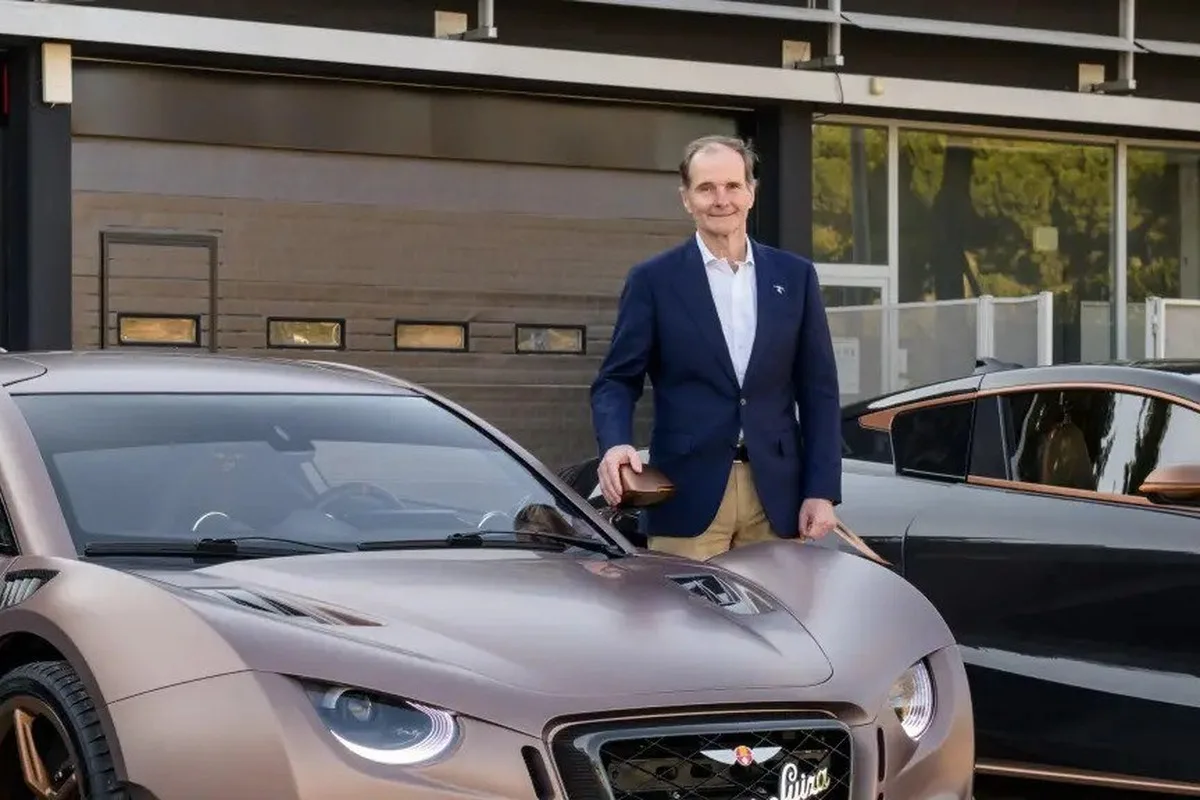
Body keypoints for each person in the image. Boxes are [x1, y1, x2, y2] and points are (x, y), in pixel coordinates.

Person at [589, 134, 841, 561]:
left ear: (751, 192)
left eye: (732, 186)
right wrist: (615, 444)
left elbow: (819, 391)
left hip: (778, 497)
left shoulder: (795, 277)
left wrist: (822, 490)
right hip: (685, 494)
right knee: (685, 607)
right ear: (686, 198)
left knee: (774, 608)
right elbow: (615, 380)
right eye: (706, 188)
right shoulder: (653, 280)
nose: (721, 199)